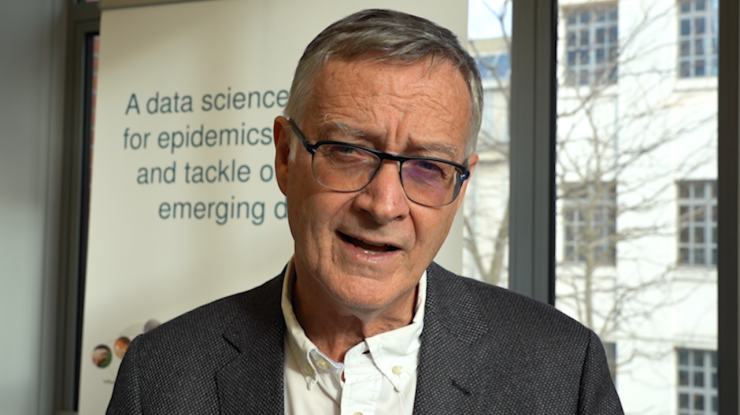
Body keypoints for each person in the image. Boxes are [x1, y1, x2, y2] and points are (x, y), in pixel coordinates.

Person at [107, 9, 623, 414]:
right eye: (349, 152)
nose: (384, 205)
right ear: (285, 157)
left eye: (428, 167)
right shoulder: (160, 378)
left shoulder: (562, 371)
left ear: (461, 185)